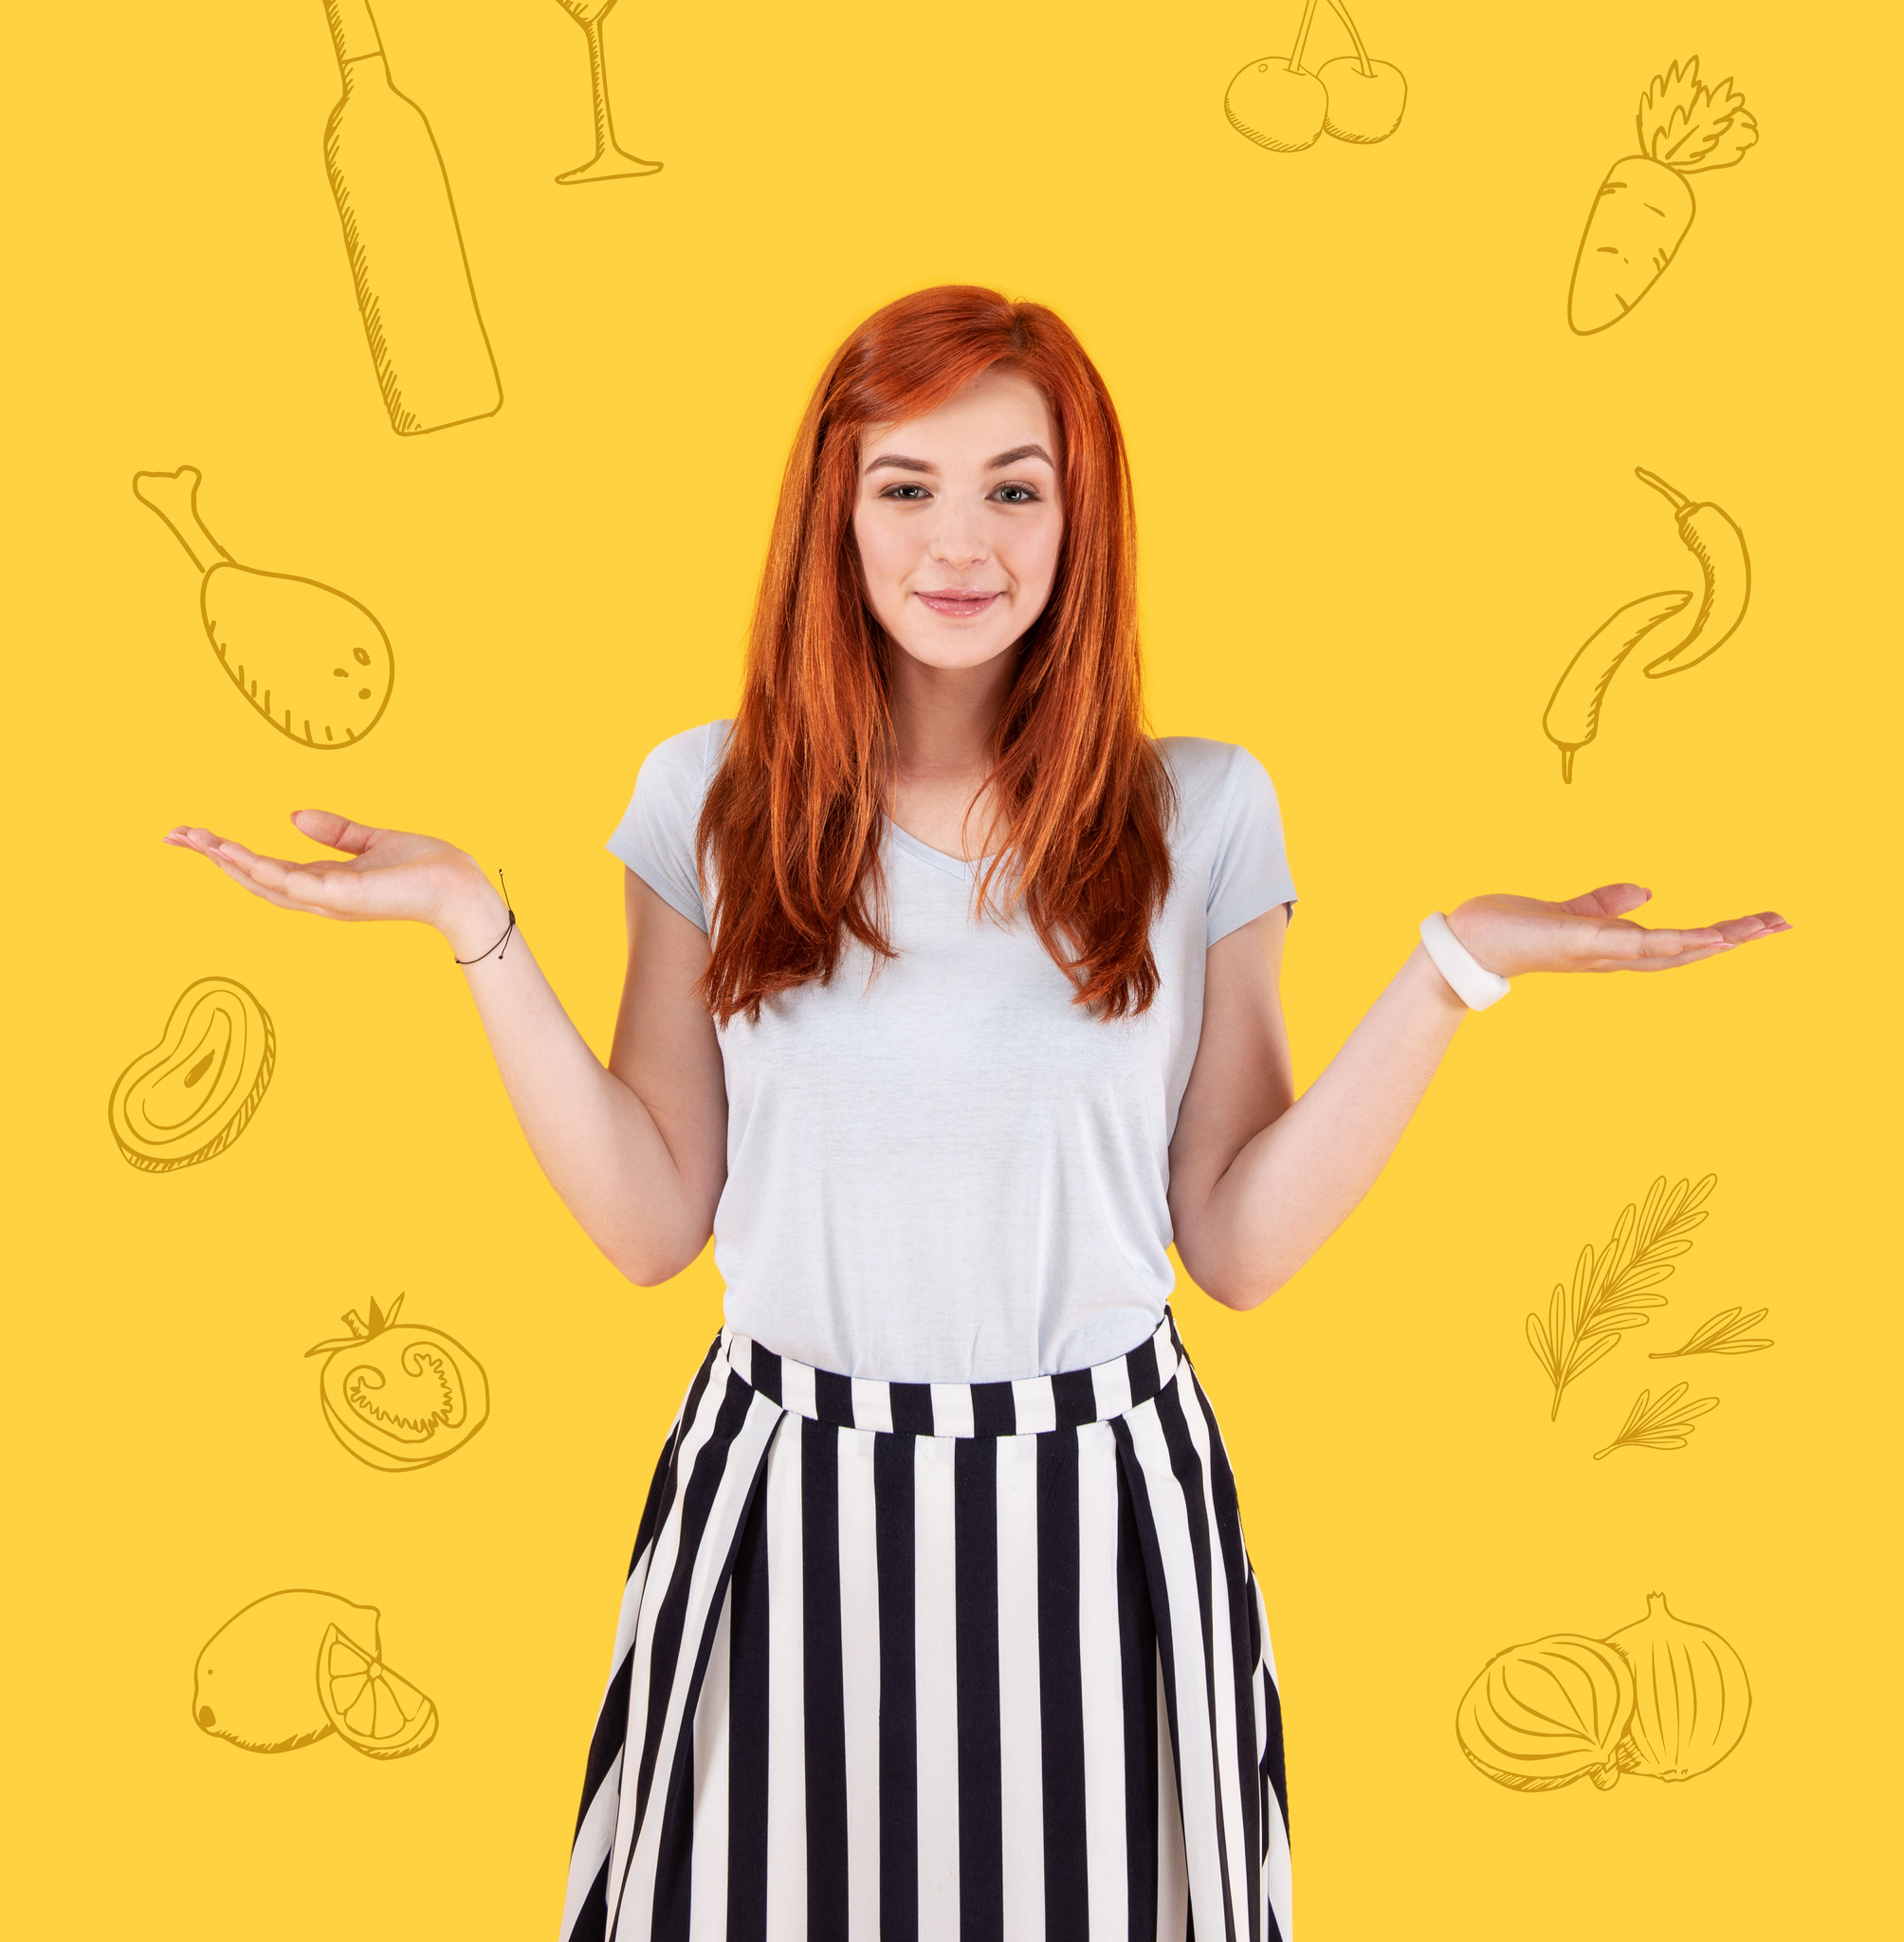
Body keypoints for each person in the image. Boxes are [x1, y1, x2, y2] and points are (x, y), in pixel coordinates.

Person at [166, 284, 1785, 1942]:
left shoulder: (1203, 810)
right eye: (906, 485)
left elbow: (1234, 1240)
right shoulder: (710, 800)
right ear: (836, 511)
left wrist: (1453, 973)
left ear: (1082, 518)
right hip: (785, 1498)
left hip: (1098, 1514)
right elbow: (653, 1219)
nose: (963, 541)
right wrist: (474, 930)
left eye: (1016, 487)